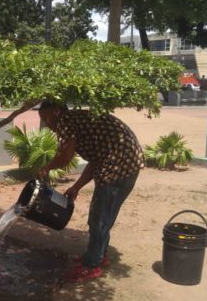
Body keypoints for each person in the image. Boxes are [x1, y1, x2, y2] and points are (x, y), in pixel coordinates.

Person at [37, 100, 143, 282]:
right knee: (103, 216)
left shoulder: (66, 121)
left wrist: (46, 168)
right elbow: (95, 159)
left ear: (56, 112)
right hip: (124, 163)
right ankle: (98, 255)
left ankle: (92, 266)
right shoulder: (79, 121)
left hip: (119, 167)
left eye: (46, 119)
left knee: (99, 218)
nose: (47, 125)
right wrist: (76, 187)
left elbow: (65, 156)